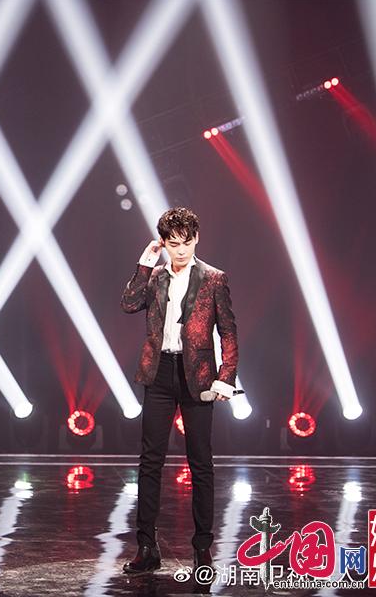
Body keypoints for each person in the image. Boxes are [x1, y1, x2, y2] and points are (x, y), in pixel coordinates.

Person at [120, 207, 238, 577]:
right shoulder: (155, 276)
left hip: (197, 377)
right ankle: (146, 547)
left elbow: (228, 332)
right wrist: (145, 263)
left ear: (196, 239)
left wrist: (226, 377)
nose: (181, 250)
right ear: (164, 243)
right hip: (159, 373)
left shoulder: (214, 278)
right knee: (150, 461)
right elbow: (128, 304)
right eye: (173, 243)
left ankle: (202, 548)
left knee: (200, 463)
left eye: (187, 242)